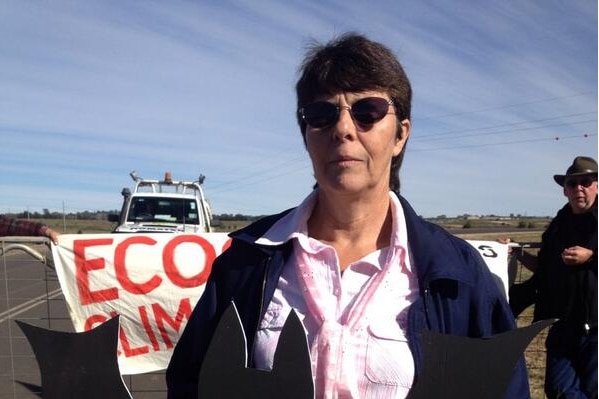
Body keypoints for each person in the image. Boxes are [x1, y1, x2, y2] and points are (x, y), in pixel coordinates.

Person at [166, 33, 529, 398]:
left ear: (401, 134)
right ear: (306, 134)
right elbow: (192, 383)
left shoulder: (458, 275)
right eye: (322, 114)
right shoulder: (246, 263)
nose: (343, 129)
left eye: (367, 111)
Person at [511, 156, 597, 399]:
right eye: (572, 183)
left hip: (597, 329)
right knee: (558, 390)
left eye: (586, 181)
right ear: (565, 190)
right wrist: (517, 252)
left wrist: (591, 256)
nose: (579, 188)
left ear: (597, 186)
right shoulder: (558, 225)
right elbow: (544, 268)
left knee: (593, 391)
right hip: (563, 324)